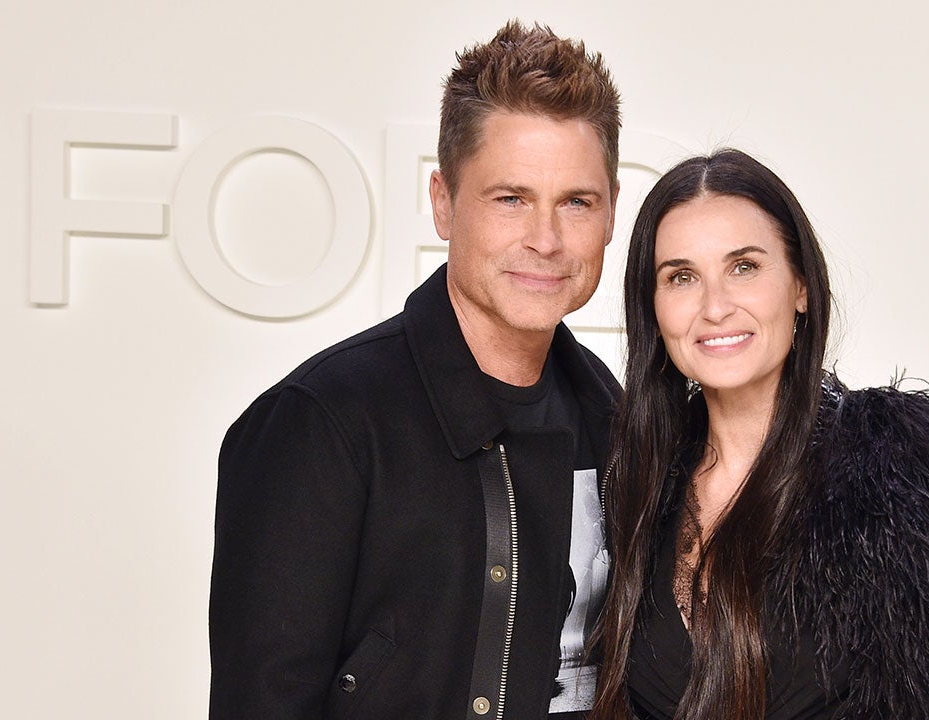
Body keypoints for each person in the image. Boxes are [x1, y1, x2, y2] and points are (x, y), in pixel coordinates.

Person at [209, 21, 622, 719]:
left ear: (610, 213)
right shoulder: (321, 423)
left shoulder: (618, 418)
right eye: (511, 198)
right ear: (443, 202)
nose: (546, 240)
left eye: (576, 202)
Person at [591, 149, 929, 719]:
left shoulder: (910, 471)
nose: (714, 307)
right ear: (654, 307)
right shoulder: (637, 484)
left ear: (801, 287)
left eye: (744, 267)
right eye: (682, 277)